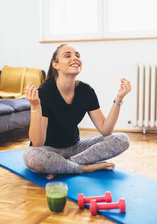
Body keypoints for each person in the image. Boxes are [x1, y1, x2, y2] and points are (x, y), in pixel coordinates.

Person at [23, 44, 131, 179]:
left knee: (122, 139)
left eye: (77, 56)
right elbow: (38, 143)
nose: (75, 58)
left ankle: (68, 165)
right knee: (31, 156)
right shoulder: (44, 92)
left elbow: (105, 130)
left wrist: (119, 99)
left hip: (75, 149)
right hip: (48, 150)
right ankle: (87, 168)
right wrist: (35, 106)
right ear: (55, 65)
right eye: (68, 56)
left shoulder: (86, 91)